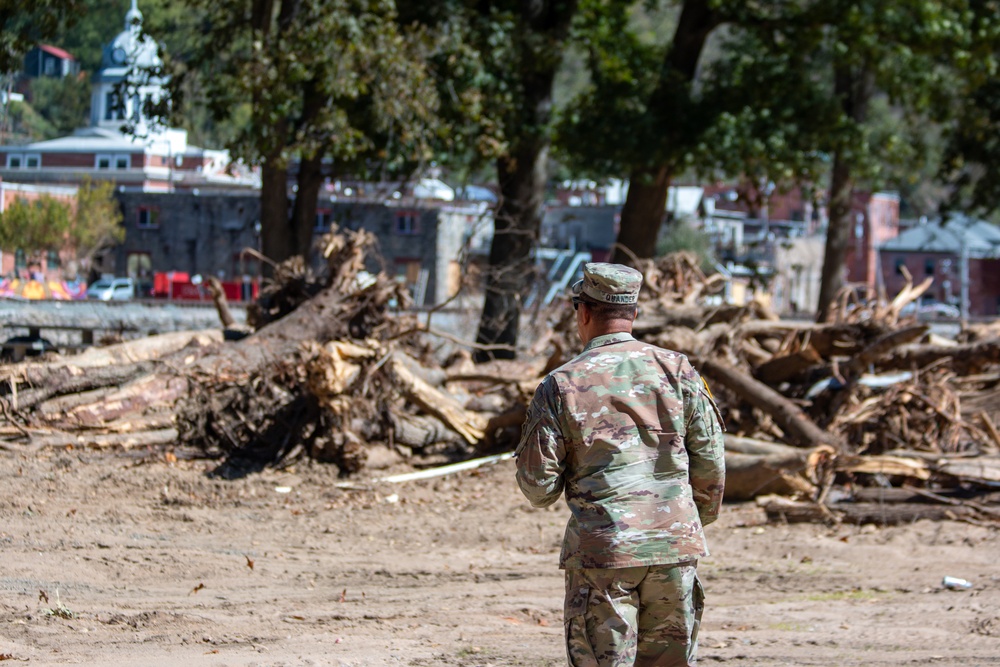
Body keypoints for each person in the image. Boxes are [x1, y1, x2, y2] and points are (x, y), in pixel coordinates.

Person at [515, 262, 726, 667]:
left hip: (604, 554)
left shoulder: (561, 384)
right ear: (634, 314)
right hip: (674, 550)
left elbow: (537, 487)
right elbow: (712, 466)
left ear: (584, 312)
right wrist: (685, 522)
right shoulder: (679, 371)